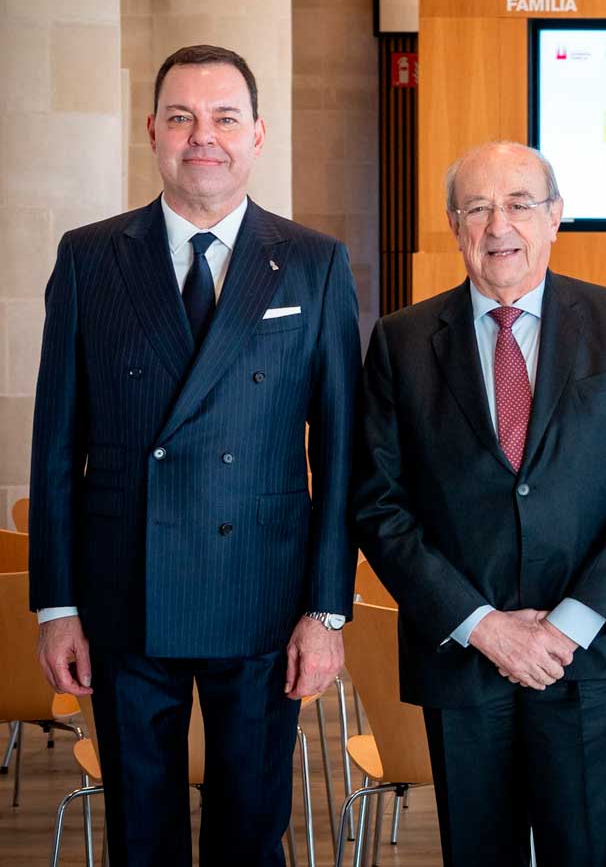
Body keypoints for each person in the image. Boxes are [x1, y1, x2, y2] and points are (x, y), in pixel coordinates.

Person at [28, 44, 361, 866]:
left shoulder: (314, 263)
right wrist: (56, 603)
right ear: (152, 132)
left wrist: (327, 610)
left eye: (223, 118)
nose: (201, 136)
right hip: (124, 593)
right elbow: (54, 442)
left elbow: (344, 448)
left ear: (257, 136)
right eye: (181, 117)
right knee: (142, 834)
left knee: (252, 831)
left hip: (265, 595)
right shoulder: (89, 256)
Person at [352, 141, 606, 867]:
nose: (499, 224)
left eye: (520, 203)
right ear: (454, 223)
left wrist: (569, 623)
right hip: (465, 653)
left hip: (589, 654)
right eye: (477, 207)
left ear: (556, 216)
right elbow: (378, 503)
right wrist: (484, 627)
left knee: (590, 853)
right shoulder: (401, 342)